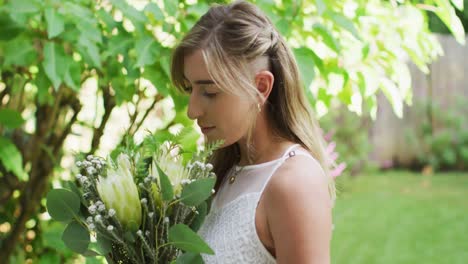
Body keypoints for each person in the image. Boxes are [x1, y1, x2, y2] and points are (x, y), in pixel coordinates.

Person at [171, 1, 336, 263]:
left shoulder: (294, 184)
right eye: (190, 89)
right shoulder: (222, 171)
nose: (192, 111)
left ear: (260, 87)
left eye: (210, 92)